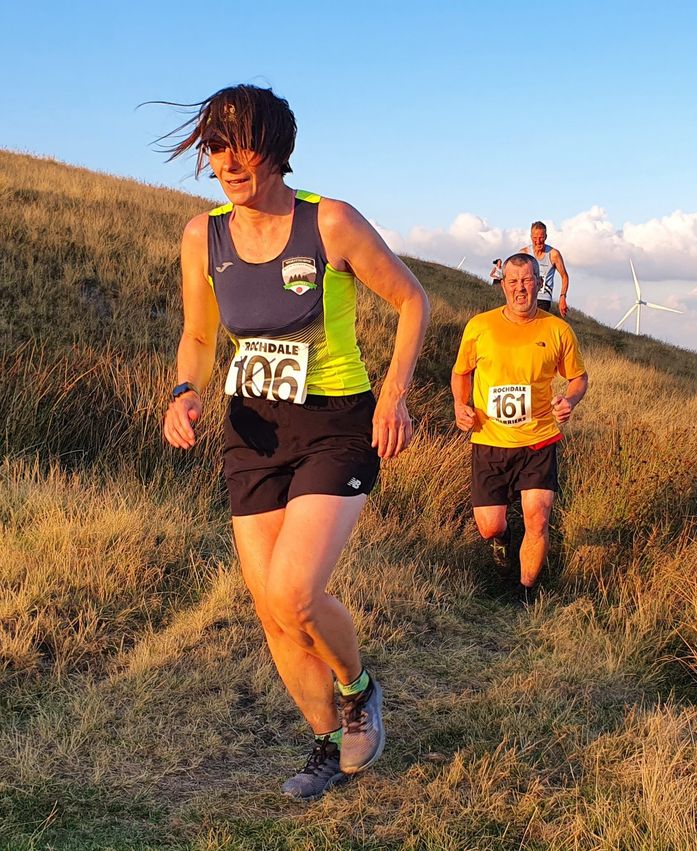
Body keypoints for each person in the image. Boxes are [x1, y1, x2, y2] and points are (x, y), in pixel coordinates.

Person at [159, 85, 429, 800]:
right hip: (251, 430)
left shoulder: (329, 221)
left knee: (295, 590)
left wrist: (395, 394)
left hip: (336, 424)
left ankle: (359, 688)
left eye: (240, 141)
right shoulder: (202, 236)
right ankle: (326, 744)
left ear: (274, 147)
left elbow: (411, 300)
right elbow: (196, 336)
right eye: (215, 144)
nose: (227, 158)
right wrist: (183, 392)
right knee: (272, 610)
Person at [451, 253, 588, 600]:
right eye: (512, 281)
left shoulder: (558, 330)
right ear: (503, 285)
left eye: (527, 280)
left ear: (538, 282)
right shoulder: (480, 326)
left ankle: (525, 593)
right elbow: (460, 372)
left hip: (538, 441)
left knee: (538, 518)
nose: (520, 288)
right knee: (489, 526)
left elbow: (578, 378)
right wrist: (459, 405)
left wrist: (569, 401)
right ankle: (501, 541)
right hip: (490, 440)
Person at [518, 221, 570, 315]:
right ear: (531, 237)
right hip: (526, 297)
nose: (538, 242)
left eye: (541, 238)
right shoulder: (524, 253)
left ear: (546, 237)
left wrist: (562, 297)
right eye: (535, 238)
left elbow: (564, 276)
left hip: (543, 299)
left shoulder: (553, 254)